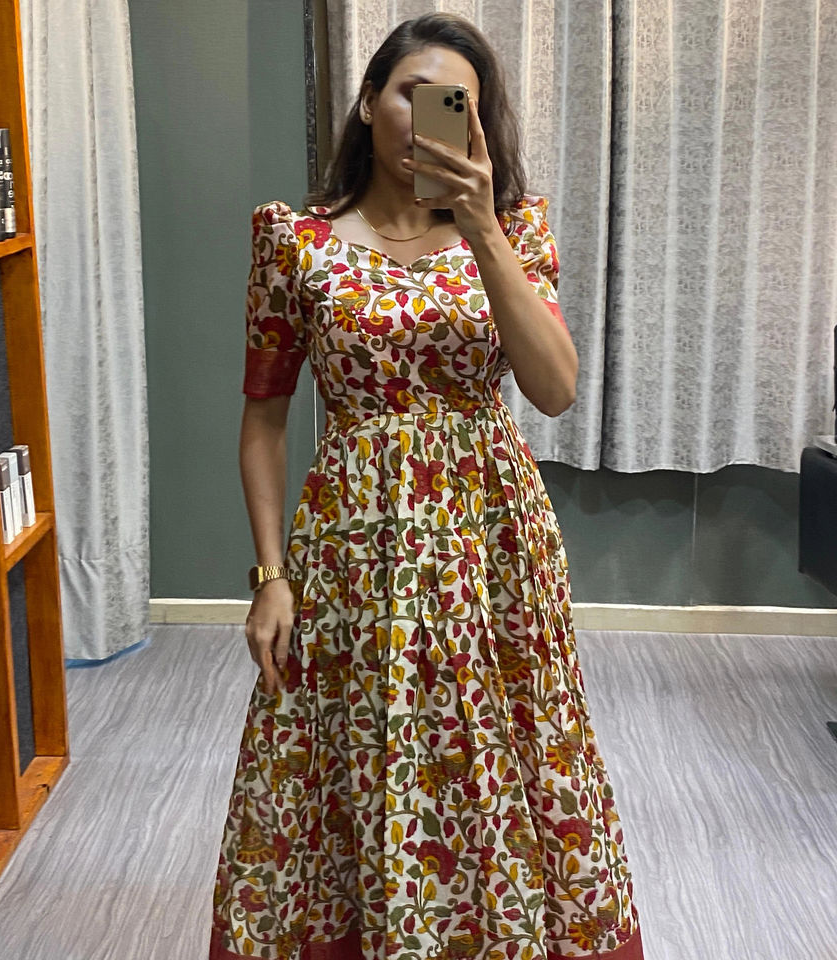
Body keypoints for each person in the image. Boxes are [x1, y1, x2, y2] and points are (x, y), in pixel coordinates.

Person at [210, 13, 644, 960]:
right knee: (351, 742)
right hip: (351, 545)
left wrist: (482, 228)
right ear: (370, 102)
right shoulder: (294, 241)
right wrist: (270, 576)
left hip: (491, 540)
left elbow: (555, 390)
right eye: (413, 93)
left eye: (458, 103)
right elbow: (263, 421)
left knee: (501, 737)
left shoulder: (515, 230)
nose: (431, 116)